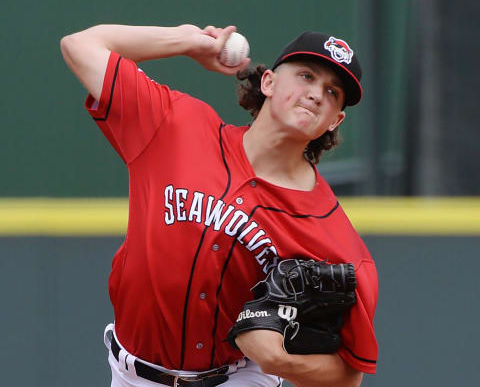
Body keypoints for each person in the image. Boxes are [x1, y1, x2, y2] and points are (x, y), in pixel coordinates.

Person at [60, 23, 378, 387]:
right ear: (269, 83)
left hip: (239, 379)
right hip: (134, 376)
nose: (316, 94)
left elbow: (349, 377)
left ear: (334, 120)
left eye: (332, 92)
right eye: (306, 76)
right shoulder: (175, 125)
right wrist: (186, 42)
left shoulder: (331, 233)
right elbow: (80, 45)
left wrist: (280, 360)